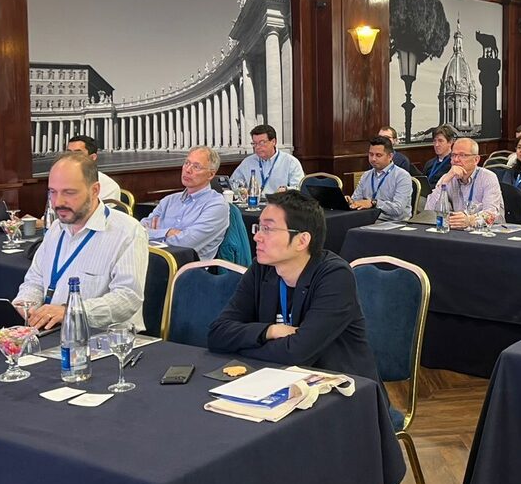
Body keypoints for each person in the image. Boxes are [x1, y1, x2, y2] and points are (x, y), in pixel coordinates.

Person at [207, 191, 381, 382]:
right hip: (276, 380)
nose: (257, 237)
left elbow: (297, 354)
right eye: (259, 228)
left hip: (340, 388)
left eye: (268, 229)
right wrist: (269, 331)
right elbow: (218, 333)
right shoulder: (262, 268)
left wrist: (242, 344)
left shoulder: (335, 276)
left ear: (302, 240)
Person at [15, 153, 148, 331]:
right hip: (53, 331)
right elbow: (35, 280)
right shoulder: (56, 228)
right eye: (52, 192)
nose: (58, 202)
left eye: (69, 193)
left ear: (95, 190)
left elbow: (127, 298)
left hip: (105, 338)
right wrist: (27, 305)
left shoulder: (128, 231)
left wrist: (71, 311)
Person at [141, 146, 230, 260]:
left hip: (189, 270)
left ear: (211, 174)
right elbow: (139, 231)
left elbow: (185, 244)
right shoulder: (169, 200)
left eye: (196, 167)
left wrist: (155, 233)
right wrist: (167, 232)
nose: (188, 170)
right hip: (153, 260)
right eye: (187, 163)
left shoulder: (216, 205)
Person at [424, 137, 505, 228]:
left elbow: (492, 215)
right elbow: (429, 210)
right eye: (453, 155)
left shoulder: (488, 178)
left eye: (462, 155)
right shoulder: (448, 178)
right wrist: (445, 182)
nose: (456, 160)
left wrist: (470, 220)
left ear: (476, 160)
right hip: (456, 233)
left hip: (486, 233)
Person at [349, 136, 413, 222]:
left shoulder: (402, 176)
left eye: (378, 155)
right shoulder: (366, 175)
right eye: (371, 154)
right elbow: (356, 200)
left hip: (394, 223)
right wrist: (350, 202)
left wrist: (374, 203)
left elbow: (398, 209)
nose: (373, 159)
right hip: (367, 220)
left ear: (390, 156)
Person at [230, 124, 305, 194]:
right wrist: (241, 190)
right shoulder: (248, 162)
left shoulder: (290, 162)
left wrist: (286, 190)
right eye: (254, 143)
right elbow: (233, 183)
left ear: (274, 142)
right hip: (253, 204)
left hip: (279, 205)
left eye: (262, 143)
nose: (257, 147)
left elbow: (299, 188)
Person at [66, 135, 122, 202]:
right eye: (68, 153)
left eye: (78, 153)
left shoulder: (109, 187)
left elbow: (102, 212)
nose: (71, 157)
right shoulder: (58, 180)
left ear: (92, 158)